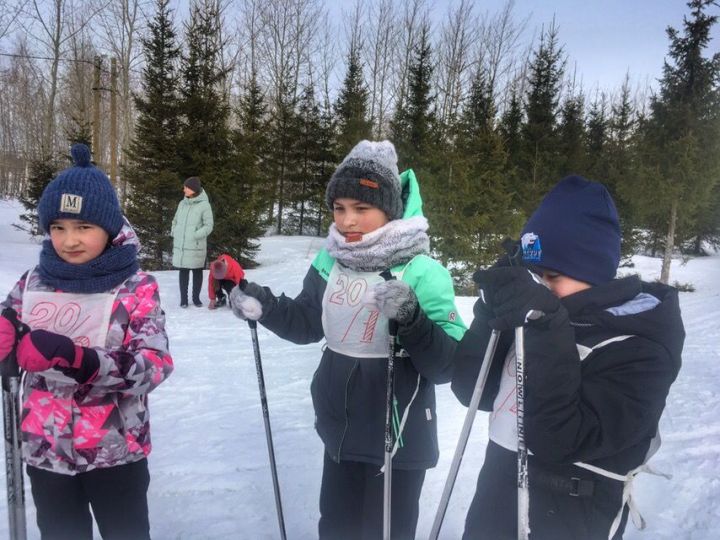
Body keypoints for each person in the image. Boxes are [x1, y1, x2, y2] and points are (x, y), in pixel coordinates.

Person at [229, 140, 466, 540]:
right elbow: (308, 321)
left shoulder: (422, 271)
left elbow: (448, 365)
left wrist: (412, 318)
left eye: (361, 209)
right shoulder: (330, 259)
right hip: (340, 430)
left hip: (399, 440)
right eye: (339, 208)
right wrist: (264, 306)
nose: (348, 221)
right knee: (336, 529)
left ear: (388, 209)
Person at [451, 175, 684, 540]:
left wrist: (547, 327)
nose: (539, 286)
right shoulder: (535, 314)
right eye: (532, 274)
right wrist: (488, 312)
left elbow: (558, 440)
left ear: (593, 273)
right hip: (495, 502)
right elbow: (472, 391)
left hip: (571, 518)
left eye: (552, 276)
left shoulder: (642, 346)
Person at [0, 143, 174, 540]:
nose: (69, 240)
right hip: (46, 449)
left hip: (115, 451)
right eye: (58, 227)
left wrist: (80, 359)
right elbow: (8, 323)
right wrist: (6, 329)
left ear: (108, 229)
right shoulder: (34, 280)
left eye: (83, 227)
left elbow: (155, 364)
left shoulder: (135, 288)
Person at [171, 176, 213, 307]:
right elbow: (175, 220)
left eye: (186, 187)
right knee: (183, 271)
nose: (183, 189)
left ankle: (196, 299)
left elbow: (208, 225)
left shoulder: (204, 205)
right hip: (182, 245)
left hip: (196, 245)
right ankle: (184, 300)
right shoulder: (182, 203)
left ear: (193, 189)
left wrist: (196, 235)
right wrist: (174, 231)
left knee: (197, 271)